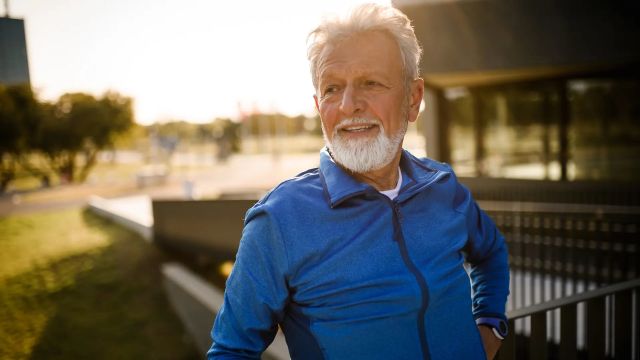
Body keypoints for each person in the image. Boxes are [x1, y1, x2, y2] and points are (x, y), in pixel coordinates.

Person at [208, 3, 509, 359]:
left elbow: (491, 252)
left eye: (371, 83)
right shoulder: (278, 220)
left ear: (413, 100)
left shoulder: (442, 186)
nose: (350, 104)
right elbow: (231, 351)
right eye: (333, 88)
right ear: (319, 106)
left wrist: (490, 326)